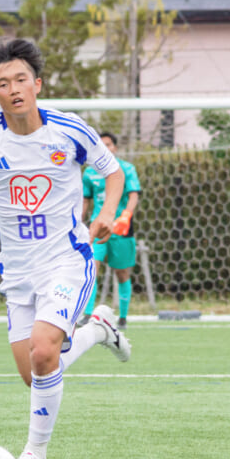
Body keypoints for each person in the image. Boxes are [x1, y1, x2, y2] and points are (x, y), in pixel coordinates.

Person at [0, 38, 132, 459]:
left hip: (67, 259)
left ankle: (33, 457)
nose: (14, 89)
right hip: (17, 270)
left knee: (45, 352)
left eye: (21, 80)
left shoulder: (69, 129)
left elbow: (113, 173)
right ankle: (98, 330)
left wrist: (107, 213)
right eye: (3, 83)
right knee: (35, 374)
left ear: (38, 84)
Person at [80, 131, 141, 330]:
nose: (105, 148)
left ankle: (122, 316)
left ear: (115, 147)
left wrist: (126, 216)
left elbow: (133, 195)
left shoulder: (127, 169)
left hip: (121, 229)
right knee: (91, 268)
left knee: (122, 273)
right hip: (96, 228)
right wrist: (78, 221)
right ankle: (88, 313)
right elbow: (85, 200)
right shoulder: (89, 173)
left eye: (108, 144)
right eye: (101, 144)